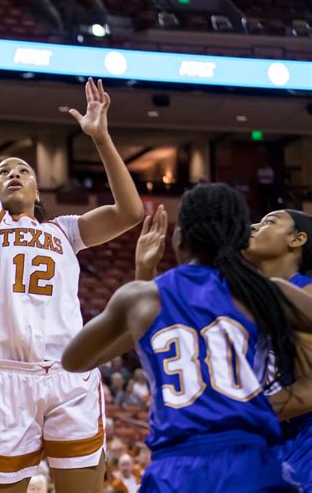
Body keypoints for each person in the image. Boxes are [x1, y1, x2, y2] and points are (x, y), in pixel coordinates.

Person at [0, 0, 144, 492]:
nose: (15, 173)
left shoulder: (64, 231)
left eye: (24, 169)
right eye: (4, 171)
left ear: (39, 188)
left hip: (72, 376)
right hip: (11, 377)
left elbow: (130, 212)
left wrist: (101, 138)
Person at [63, 184, 312, 492]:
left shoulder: (142, 297)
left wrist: (143, 274)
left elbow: (73, 359)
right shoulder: (264, 292)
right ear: (238, 238)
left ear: (179, 237)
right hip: (248, 459)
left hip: (177, 462)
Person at [246, 208, 312, 489]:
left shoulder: (306, 296)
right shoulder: (248, 298)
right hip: (264, 443)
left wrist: (231, 412)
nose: (252, 226)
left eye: (268, 221)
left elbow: (310, 392)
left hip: (302, 447)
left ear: (297, 239)